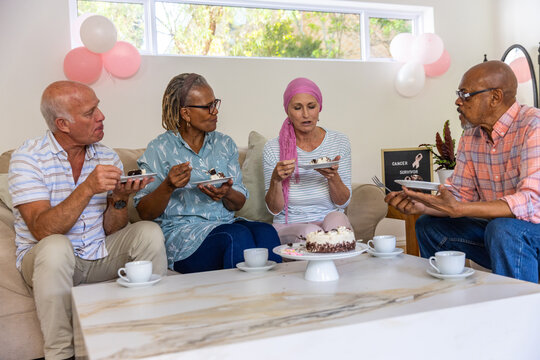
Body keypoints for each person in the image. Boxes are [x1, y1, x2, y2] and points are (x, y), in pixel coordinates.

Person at [9, 81, 168, 359]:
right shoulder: (27, 158)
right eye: (90, 112)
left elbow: (112, 228)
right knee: (57, 246)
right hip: (48, 260)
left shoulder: (107, 156)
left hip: (97, 253)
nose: (101, 116)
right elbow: (41, 229)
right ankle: (61, 353)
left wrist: (119, 198)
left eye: (98, 107)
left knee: (148, 232)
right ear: (63, 124)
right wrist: (87, 188)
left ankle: (151, 336)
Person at [385, 60, 540, 283]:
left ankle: (519, 308)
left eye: (466, 94)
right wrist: (424, 205)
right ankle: (448, 301)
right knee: (429, 225)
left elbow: (532, 202)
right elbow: (460, 195)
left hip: (527, 231)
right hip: (500, 234)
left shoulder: (533, 125)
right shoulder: (471, 135)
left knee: (503, 229)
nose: (458, 101)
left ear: (495, 97)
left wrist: (459, 208)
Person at [134, 73, 281, 273]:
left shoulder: (224, 144)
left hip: (225, 224)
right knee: (236, 236)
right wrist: (168, 186)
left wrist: (227, 192)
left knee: (266, 232)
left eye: (215, 104)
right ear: (185, 113)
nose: (215, 112)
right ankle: (237, 303)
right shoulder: (159, 149)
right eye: (207, 107)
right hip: (183, 238)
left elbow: (238, 203)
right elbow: (144, 212)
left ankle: (275, 299)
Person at [263, 77, 353, 244]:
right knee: (312, 232)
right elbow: (275, 210)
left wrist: (333, 177)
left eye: (311, 107)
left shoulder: (339, 141)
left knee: (338, 222)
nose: (305, 114)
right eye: (297, 108)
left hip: (327, 219)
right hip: (289, 225)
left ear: (319, 107)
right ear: (287, 111)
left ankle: (341, 268)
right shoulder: (272, 148)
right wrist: (276, 180)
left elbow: (343, 201)